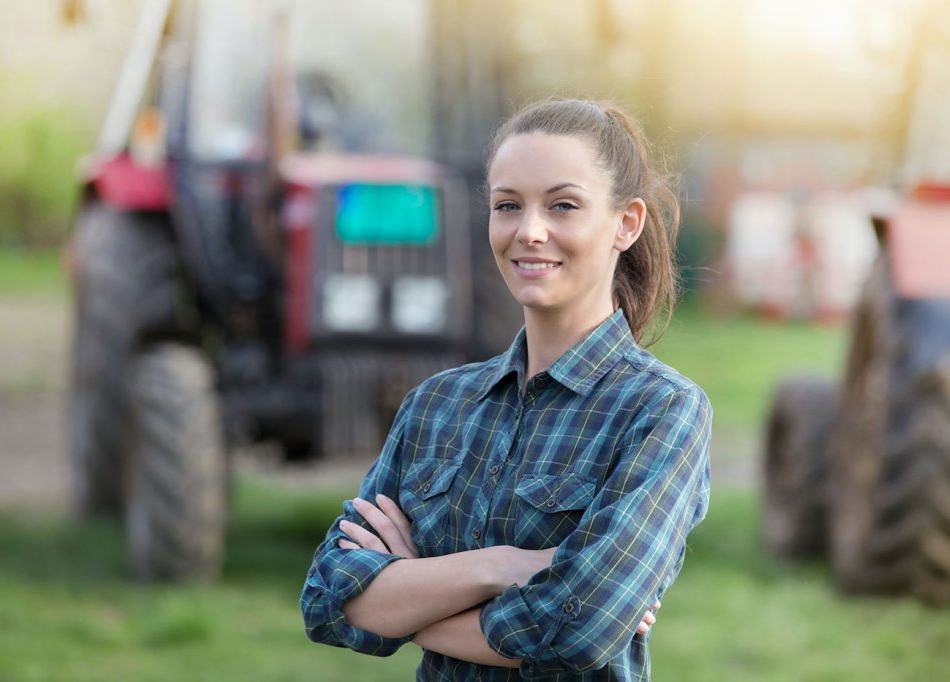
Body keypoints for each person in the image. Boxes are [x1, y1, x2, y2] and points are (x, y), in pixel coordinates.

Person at [300, 98, 712, 680]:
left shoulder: (662, 411)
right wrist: (497, 567)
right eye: (508, 205)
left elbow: (578, 628)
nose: (529, 231)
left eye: (563, 205)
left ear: (626, 223)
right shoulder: (436, 404)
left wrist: (403, 599)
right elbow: (326, 599)